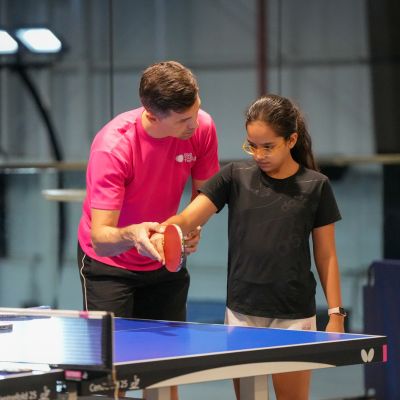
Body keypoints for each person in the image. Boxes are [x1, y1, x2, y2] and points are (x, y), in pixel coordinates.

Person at [152, 94, 346, 400]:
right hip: (242, 314)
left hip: (294, 315)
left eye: (268, 146)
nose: (258, 154)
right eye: (252, 145)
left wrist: (336, 313)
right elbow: (189, 217)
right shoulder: (235, 176)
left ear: (291, 139)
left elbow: (326, 254)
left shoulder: (316, 185)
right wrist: (165, 230)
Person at [77, 61, 219, 399]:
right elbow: (102, 237)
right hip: (109, 267)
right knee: (111, 379)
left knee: (165, 371)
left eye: (196, 110)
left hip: (164, 261)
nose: (194, 123)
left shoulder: (202, 127)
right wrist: (134, 234)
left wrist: (192, 225)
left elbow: (207, 194)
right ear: (153, 115)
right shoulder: (114, 147)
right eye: (183, 119)